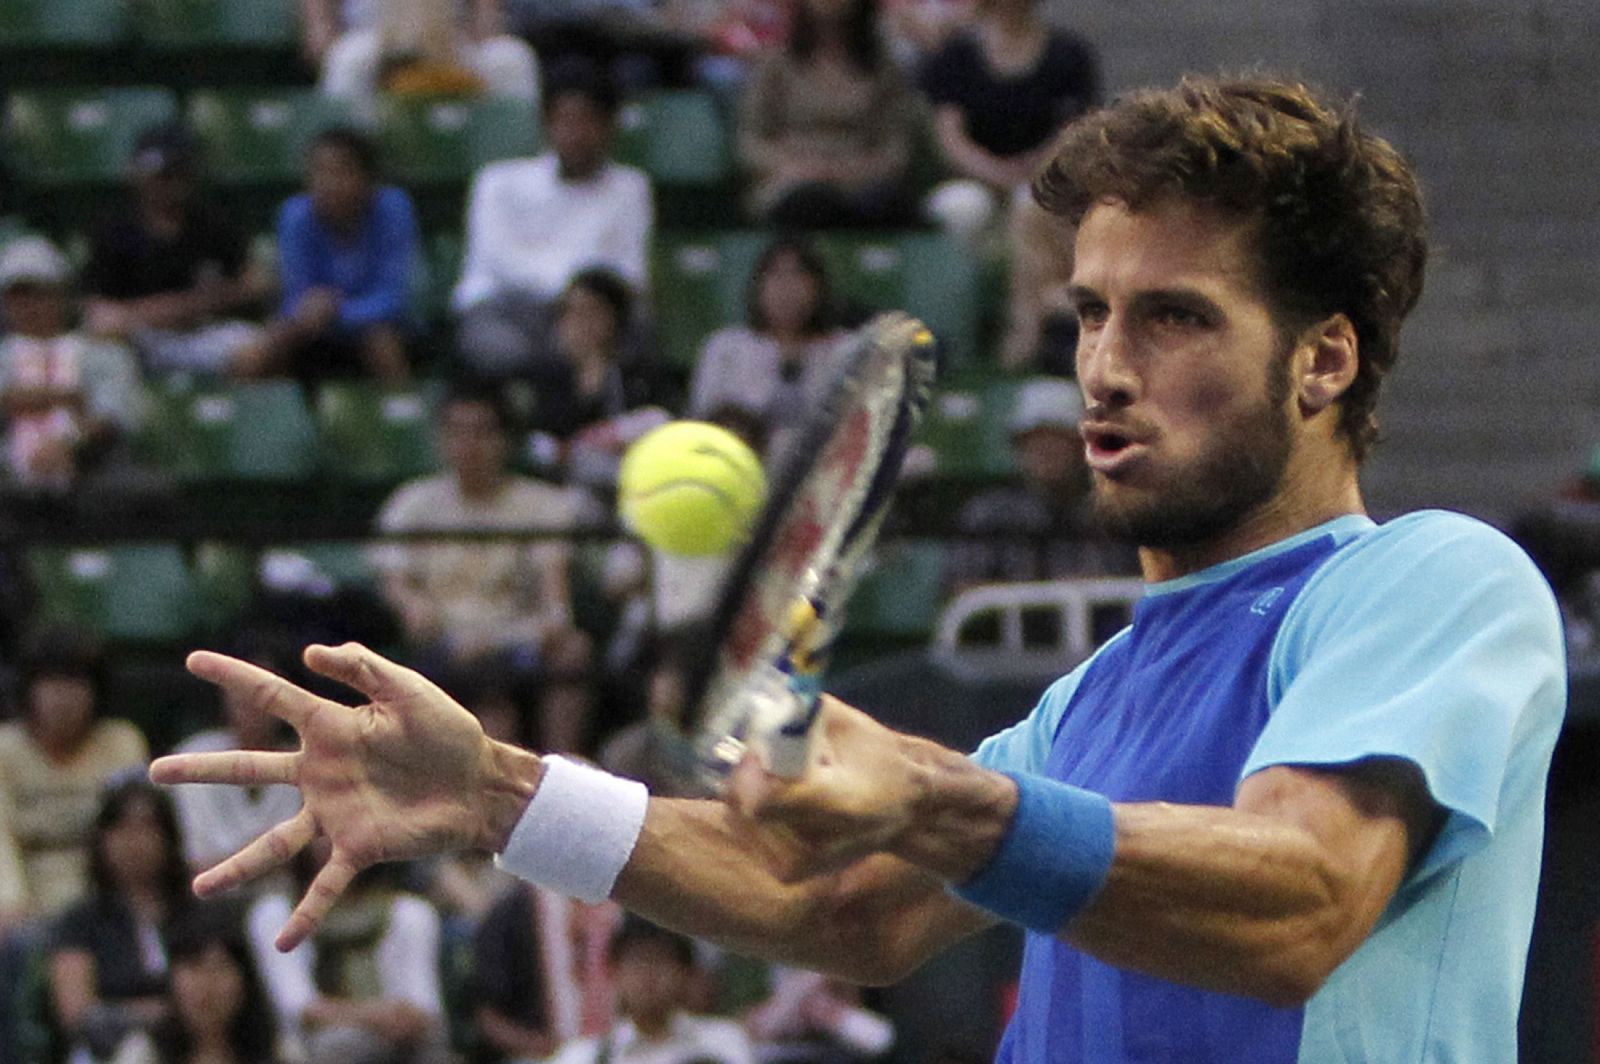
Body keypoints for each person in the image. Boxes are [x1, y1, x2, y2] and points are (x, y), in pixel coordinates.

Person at [154, 74, 1568, 1063]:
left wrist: (944, 797)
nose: (1102, 367)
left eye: (1175, 318)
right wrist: (497, 793)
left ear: (1324, 359)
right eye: (1089, 312)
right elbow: (836, 907)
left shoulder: (1432, 582)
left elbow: (1305, 898)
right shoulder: (1086, 702)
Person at [371, 384, 607, 753]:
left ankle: (563, 763)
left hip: (516, 635)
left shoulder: (543, 505)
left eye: (482, 432)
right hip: (444, 639)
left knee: (573, 651)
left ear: (505, 440)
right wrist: (414, 608)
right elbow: (397, 585)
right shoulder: (411, 503)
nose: (469, 445)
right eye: (457, 432)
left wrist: (508, 638)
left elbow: (555, 605)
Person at [915, 0, 1096, 369]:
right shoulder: (957, 56)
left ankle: (1023, 331)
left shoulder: (1069, 54)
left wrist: (1033, 168)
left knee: (1030, 205)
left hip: (1040, 177)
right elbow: (949, 135)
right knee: (960, 208)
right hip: (973, 179)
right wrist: (993, 171)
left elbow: (1073, 130)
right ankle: (956, 335)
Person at [454, 58, 653, 380]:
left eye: (587, 121)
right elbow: (498, 259)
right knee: (494, 346)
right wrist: (568, 294)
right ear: (547, 123)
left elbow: (629, 272)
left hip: (595, 310)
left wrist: (584, 308)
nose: (575, 134)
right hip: (509, 308)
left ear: (609, 125)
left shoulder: (631, 187)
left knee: (638, 330)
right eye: (565, 120)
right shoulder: (498, 182)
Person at [81, 124, 269, 378]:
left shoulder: (212, 223)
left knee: (259, 349)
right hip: (143, 336)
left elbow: (256, 283)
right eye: (160, 175)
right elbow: (100, 313)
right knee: (103, 337)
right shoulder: (116, 229)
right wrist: (178, 307)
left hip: (203, 332)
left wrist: (206, 302)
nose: (167, 184)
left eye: (176, 174)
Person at [0, 627, 148, 921]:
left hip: (110, 901)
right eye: (51, 683)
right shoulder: (5, 750)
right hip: (26, 904)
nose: (63, 698)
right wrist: (11, 904)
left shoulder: (122, 743)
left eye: (76, 683)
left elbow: (137, 826)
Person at [247, 854, 450, 1064]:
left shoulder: (410, 912)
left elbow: (425, 1006)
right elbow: (299, 1009)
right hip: (315, 1048)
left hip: (400, 1043)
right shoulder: (276, 914)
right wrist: (374, 1018)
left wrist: (404, 1021)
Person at [737, 0, 919, 228]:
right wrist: (794, 168)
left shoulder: (883, 68)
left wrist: (860, 170)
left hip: (864, 178)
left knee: (887, 205)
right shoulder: (776, 66)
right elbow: (752, 139)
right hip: (793, 180)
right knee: (811, 204)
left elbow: (896, 145)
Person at [48, 777, 193, 1063]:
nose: (134, 842)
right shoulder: (80, 921)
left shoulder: (196, 912)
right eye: (122, 828)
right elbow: (77, 1014)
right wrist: (156, 1014)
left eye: (146, 828)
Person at [261, 128, 417, 386]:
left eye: (342, 172)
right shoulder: (295, 216)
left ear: (369, 179)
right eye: (319, 172)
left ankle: (402, 405)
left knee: (380, 342)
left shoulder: (393, 208)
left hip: (380, 325)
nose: (329, 183)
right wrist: (304, 316)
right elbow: (294, 298)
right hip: (314, 329)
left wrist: (337, 311)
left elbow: (394, 297)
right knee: (267, 346)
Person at [0, 237, 152, 501]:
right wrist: (65, 396)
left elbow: (110, 415)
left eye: (41, 294)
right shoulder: (4, 355)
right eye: (19, 296)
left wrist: (68, 443)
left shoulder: (103, 353)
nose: (30, 306)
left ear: (63, 295)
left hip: (90, 468)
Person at [947, 377, 1135, 589]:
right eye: (1036, 440)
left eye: (1058, 439)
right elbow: (963, 588)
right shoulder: (987, 515)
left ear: (1082, 447)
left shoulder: (1115, 514)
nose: (1046, 451)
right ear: (1019, 447)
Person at [687, 237, 846, 457]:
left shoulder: (844, 349)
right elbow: (703, 422)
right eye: (776, 275)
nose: (786, 288)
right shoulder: (726, 347)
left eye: (798, 275)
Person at [169, 632, 302, 886]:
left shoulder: (313, 764)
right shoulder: (191, 758)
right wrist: (269, 857)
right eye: (239, 684)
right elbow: (189, 863)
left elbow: (308, 861)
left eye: (262, 688)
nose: (248, 698)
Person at [526, 268, 671, 489]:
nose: (581, 323)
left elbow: (660, 420)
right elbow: (539, 443)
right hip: (562, 490)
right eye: (572, 312)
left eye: (592, 311)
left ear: (615, 317)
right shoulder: (544, 377)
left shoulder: (640, 375)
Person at [544, 918, 755, 1064]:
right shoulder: (582, 1056)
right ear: (614, 972)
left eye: (660, 961)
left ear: (685, 973)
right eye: (637, 961)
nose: (648, 974)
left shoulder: (723, 1042)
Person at [110, 903, 281, 1064]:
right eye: (194, 966)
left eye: (219, 967)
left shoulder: (278, 1050)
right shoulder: (144, 1054)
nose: (206, 984)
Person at [307, 0, 539, 103]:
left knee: (511, 58)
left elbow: (486, 19)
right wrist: (320, 24)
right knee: (346, 59)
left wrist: (484, 22)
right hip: (371, 33)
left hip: (450, 35)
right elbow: (319, 28)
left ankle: (519, 167)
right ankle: (353, 159)